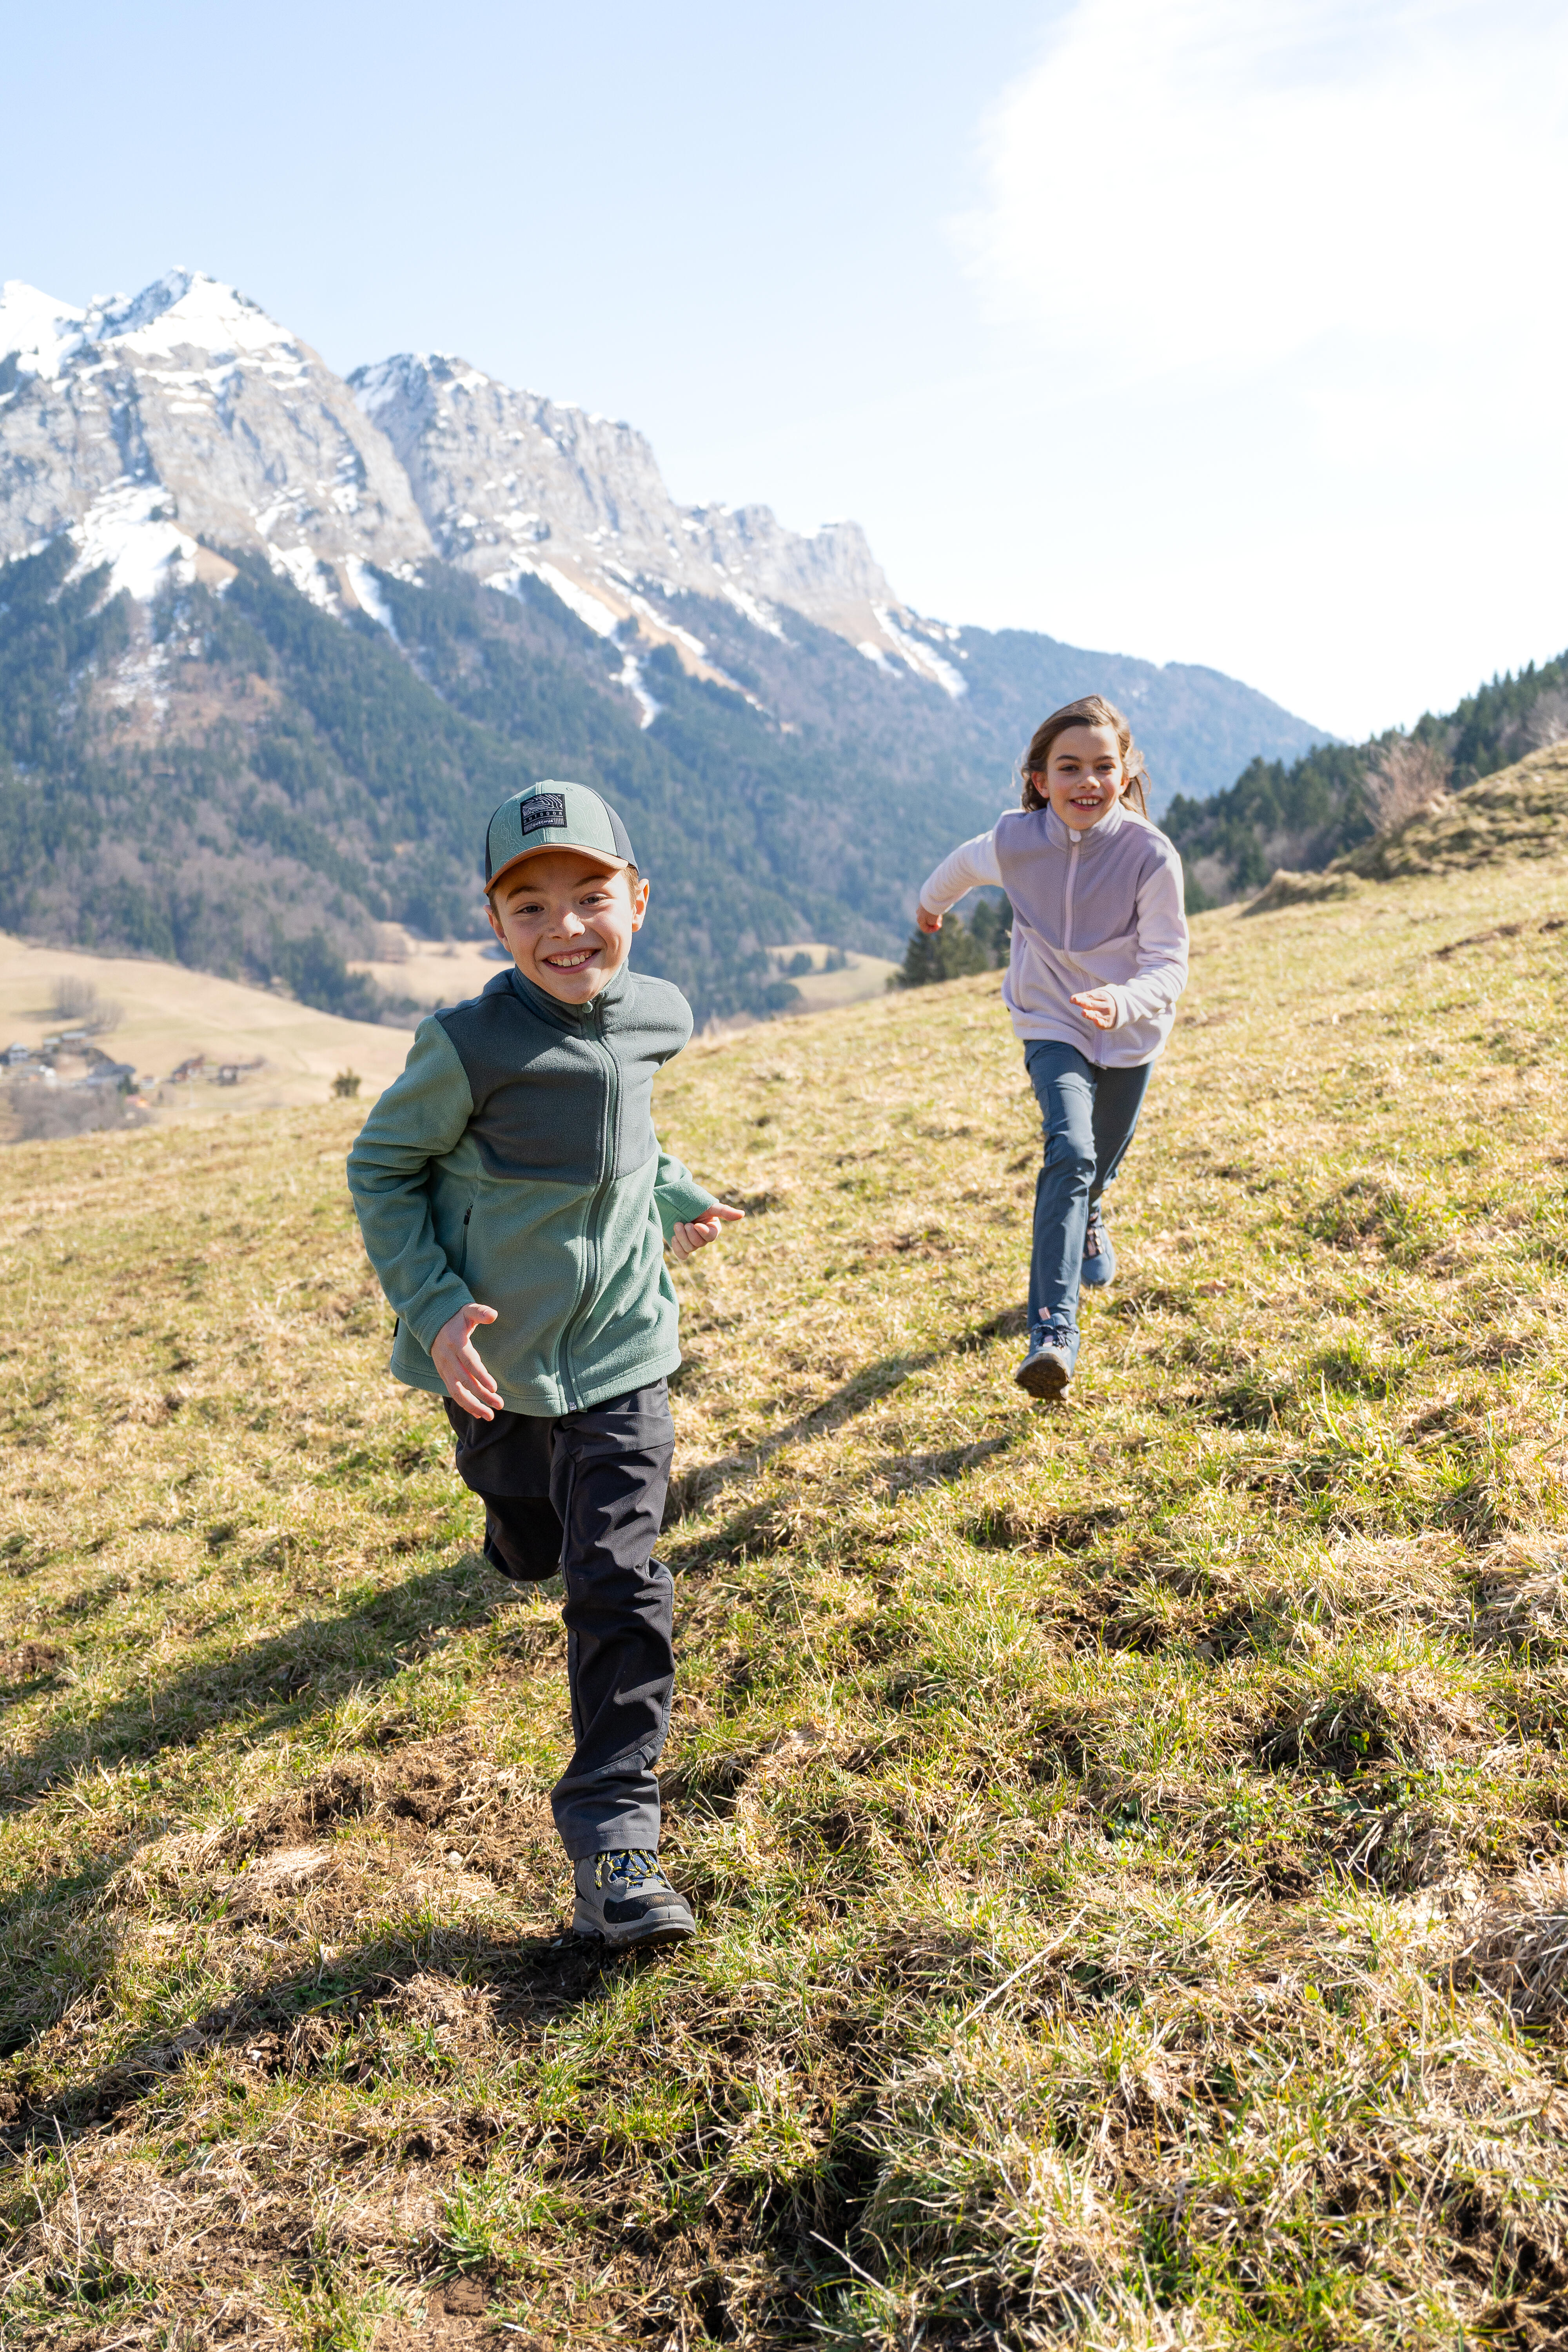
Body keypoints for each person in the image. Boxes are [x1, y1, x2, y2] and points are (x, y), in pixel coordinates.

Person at [347, 781, 742, 1947]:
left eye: (591, 897)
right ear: (495, 921)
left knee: (616, 1580)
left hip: (626, 1346)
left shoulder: (658, 1012)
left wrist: (671, 1191)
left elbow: (630, 1122)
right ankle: (518, 1520)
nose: (566, 927)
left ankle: (616, 1848)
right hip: (499, 1368)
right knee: (530, 1531)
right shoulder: (468, 1047)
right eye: (531, 906)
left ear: (640, 899)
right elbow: (382, 1172)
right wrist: (433, 1310)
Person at [913, 697, 1188, 1399]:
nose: (1086, 782)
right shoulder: (1015, 840)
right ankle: (1054, 1337)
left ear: (1126, 774)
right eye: (1069, 767)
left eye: (1103, 766)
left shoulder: (1150, 855)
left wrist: (1124, 1000)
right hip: (1051, 1018)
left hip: (1129, 1030)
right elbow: (961, 866)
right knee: (1070, 1151)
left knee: (1098, 1163)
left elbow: (1169, 963)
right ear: (1040, 779)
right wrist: (930, 908)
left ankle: (1091, 1215)